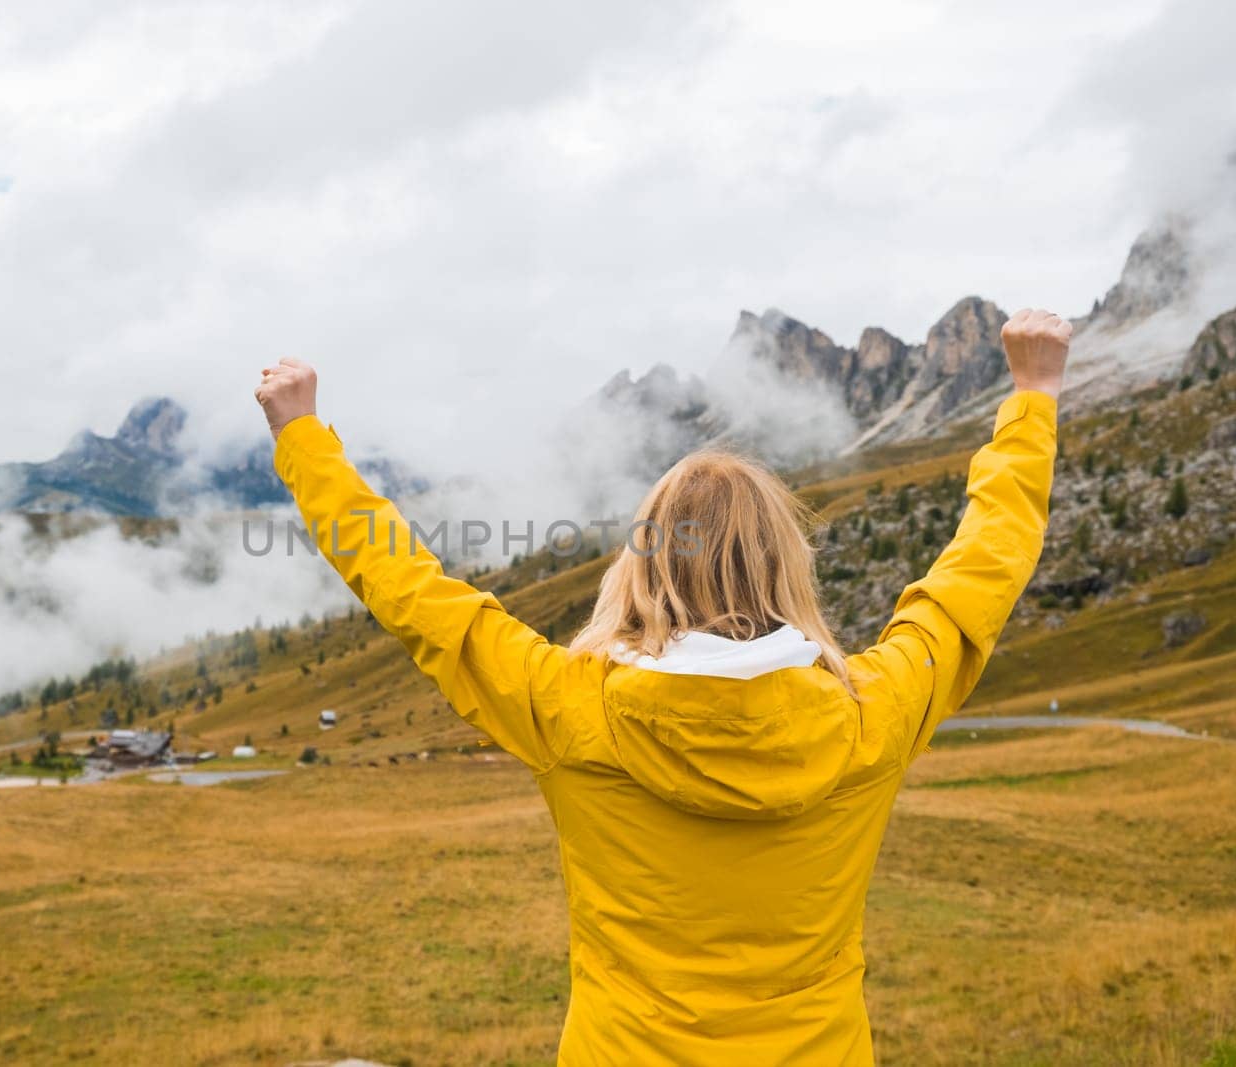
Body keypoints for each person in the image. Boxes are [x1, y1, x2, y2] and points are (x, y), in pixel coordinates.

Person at [254, 307, 1069, 1065]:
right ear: (786, 564)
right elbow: (976, 579)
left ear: (644, 568)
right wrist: (1031, 399)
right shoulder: (870, 714)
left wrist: (304, 439)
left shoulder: (572, 707)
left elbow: (416, 593)